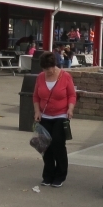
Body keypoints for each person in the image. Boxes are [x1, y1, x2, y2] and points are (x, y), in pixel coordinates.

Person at [33, 51, 77, 187]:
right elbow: (36, 96)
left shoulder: (65, 76)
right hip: (45, 115)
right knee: (45, 147)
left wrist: (70, 109)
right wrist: (37, 111)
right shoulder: (40, 77)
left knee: (58, 144)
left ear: (54, 65)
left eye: (49, 69)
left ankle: (60, 175)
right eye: (45, 69)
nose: (47, 72)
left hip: (60, 115)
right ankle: (48, 175)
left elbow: (72, 95)